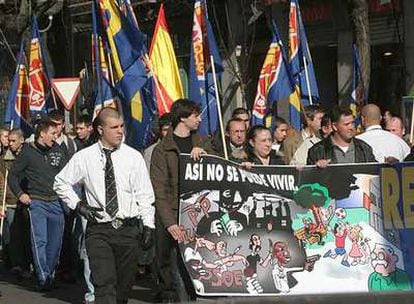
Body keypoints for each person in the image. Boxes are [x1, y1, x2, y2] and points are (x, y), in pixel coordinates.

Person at [54, 108, 155, 304]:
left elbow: (144, 193)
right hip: (99, 229)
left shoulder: (133, 157)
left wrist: (148, 225)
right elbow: (61, 182)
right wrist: (79, 205)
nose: (120, 131)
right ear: (100, 129)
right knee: (104, 284)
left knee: (122, 289)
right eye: (114, 127)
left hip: (128, 230)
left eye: (121, 126)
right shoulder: (85, 157)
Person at [150, 99, 213, 302]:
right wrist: (170, 223)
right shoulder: (162, 149)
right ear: (183, 118)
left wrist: (206, 156)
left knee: (195, 264)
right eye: (195, 115)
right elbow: (159, 190)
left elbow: (221, 167)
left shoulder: (203, 142)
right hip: (173, 215)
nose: (200, 119)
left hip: (199, 215)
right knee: (172, 266)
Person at [8, 120, 68, 291]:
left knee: (55, 243)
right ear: (42, 134)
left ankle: (50, 273)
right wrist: (21, 194)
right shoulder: (27, 152)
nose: (55, 137)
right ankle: (43, 278)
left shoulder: (58, 149)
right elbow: (13, 175)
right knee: (40, 240)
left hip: (56, 202)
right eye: (53, 134)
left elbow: (67, 172)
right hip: (37, 203)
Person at [0, 129, 32, 279]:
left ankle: (29, 263)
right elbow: (2, 182)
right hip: (12, 200)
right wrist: (2, 202)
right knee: (15, 234)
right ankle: (17, 264)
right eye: (9, 140)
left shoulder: (30, 154)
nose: (10, 143)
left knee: (28, 233)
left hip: (29, 199)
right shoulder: (4, 158)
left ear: (21, 140)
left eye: (13, 140)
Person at [307, 106, 376, 166]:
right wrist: (316, 170)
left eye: (352, 123)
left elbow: (375, 173)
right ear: (334, 126)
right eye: (346, 124)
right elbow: (308, 178)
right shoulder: (318, 151)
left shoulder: (364, 148)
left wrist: (386, 164)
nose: (351, 127)